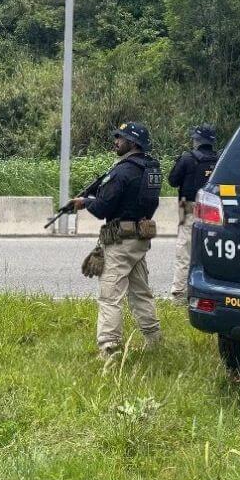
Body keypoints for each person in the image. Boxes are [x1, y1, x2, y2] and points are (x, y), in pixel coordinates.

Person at [69, 122, 163, 359]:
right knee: (141, 292)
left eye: (120, 138)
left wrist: (84, 202)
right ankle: (154, 340)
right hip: (140, 239)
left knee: (110, 296)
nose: (116, 141)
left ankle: (109, 348)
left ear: (133, 143)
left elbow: (102, 208)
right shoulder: (152, 168)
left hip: (120, 242)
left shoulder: (122, 171)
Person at [168, 124, 218, 302]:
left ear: (197, 140)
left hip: (190, 211)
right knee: (210, 254)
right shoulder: (220, 159)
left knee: (184, 253)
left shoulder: (187, 158)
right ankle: (211, 292)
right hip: (214, 212)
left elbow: (172, 181)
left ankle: (180, 294)